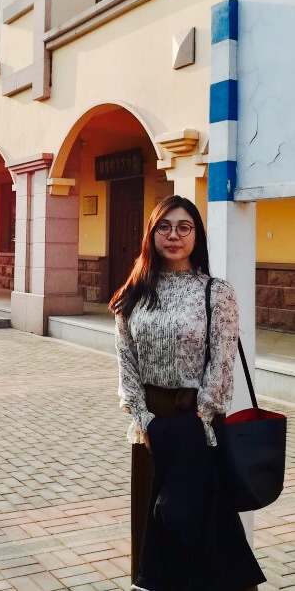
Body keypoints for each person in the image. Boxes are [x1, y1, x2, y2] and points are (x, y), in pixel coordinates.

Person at [109, 194, 264, 591]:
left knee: (198, 522)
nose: (174, 235)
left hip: (198, 424)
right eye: (164, 227)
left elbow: (222, 363)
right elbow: (126, 361)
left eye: (184, 227)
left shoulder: (216, 292)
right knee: (155, 521)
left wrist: (203, 416)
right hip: (151, 425)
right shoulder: (134, 292)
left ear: (197, 236)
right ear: (151, 234)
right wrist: (142, 419)